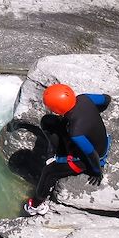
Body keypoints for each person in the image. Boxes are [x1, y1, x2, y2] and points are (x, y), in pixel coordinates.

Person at [24, 84, 111, 216]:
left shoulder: (76, 132)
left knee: (48, 172)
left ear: (57, 109)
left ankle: (36, 205)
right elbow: (106, 99)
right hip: (96, 140)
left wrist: (97, 171)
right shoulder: (84, 99)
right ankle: (59, 153)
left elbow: (91, 153)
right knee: (47, 121)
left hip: (90, 157)